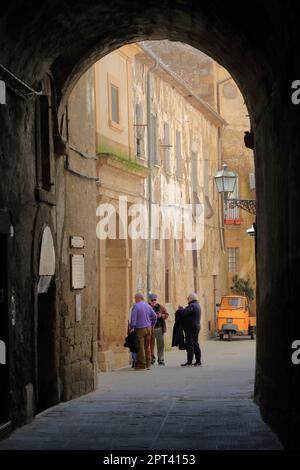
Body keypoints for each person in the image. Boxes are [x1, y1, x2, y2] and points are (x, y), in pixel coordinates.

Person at [130, 293, 157, 370]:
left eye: (135, 298)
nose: (135, 300)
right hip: (148, 328)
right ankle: (148, 363)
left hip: (140, 329)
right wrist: (152, 324)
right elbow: (154, 316)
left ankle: (142, 364)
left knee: (140, 347)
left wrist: (132, 327)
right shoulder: (148, 306)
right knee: (147, 346)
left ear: (138, 298)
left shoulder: (136, 306)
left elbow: (133, 318)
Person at [177, 293, 201, 367]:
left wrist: (180, 309)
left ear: (191, 298)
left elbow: (184, 313)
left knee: (190, 344)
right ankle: (198, 361)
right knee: (195, 344)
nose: (187, 299)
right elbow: (188, 312)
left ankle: (189, 362)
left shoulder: (192, 305)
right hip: (196, 327)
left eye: (188, 298)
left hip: (190, 328)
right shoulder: (197, 305)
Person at [148, 293, 169, 365]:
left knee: (160, 344)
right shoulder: (147, 307)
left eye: (155, 300)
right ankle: (151, 359)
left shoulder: (160, 307)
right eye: (152, 300)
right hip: (150, 329)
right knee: (150, 345)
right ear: (149, 300)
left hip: (159, 328)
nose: (154, 301)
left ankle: (161, 360)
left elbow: (166, 315)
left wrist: (161, 315)